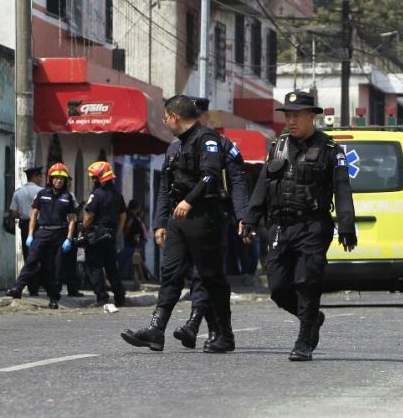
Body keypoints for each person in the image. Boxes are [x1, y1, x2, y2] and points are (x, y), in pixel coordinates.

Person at [242, 90, 357, 361]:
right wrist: (250, 219)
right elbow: (262, 186)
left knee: (307, 281)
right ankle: (312, 318)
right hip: (281, 225)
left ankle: (304, 340)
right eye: (288, 116)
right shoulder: (278, 146)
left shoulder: (330, 150)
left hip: (313, 224)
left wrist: (347, 226)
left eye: (297, 116)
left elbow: (342, 189)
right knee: (279, 289)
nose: (291, 121)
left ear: (311, 118)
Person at [122, 95, 231, 352]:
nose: (165, 122)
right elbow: (164, 188)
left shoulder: (207, 140)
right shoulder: (173, 147)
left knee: (209, 277)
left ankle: (224, 334)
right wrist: (160, 222)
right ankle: (156, 330)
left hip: (204, 218)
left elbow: (211, 175)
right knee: (170, 273)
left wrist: (190, 200)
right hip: (177, 220)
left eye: (165, 118)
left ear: (174, 117)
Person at [168, 95, 249, 350]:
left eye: (200, 115)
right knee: (197, 274)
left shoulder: (222, 144)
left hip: (213, 218)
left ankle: (194, 323)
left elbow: (237, 181)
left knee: (205, 274)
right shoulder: (177, 147)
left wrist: (243, 216)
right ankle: (216, 332)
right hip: (183, 220)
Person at [5, 163, 77, 308]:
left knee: (56, 267)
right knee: (31, 260)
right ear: (51, 179)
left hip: (59, 234)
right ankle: (18, 288)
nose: (59, 181)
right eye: (56, 178)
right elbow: (34, 214)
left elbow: (72, 219)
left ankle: (54, 298)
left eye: (62, 179)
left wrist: (69, 238)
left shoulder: (68, 197)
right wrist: (30, 235)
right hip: (42, 232)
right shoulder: (42, 194)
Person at [81, 161, 127, 313]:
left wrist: (82, 230)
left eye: (93, 178)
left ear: (99, 178)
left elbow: (89, 216)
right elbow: (123, 216)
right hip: (111, 235)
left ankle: (102, 298)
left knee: (94, 267)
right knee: (111, 267)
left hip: (96, 235)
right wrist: (118, 233)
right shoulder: (118, 195)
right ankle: (120, 297)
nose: (92, 181)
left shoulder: (97, 194)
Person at [8, 166, 44, 296]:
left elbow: (13, 213)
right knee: (41, 256)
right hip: (40, 226)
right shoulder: (42, 191)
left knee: (28, 256)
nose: (41, 178)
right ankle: (38, 285)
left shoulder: (18, 192)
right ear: (35, 176)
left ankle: (31, 286)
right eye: (39, 176)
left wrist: (24, 214)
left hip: (25, 225)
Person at [118, 200, 147, 281]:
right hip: (130, 241)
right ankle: (143, 278)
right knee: (137, 257)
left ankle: (143, 277)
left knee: (137, 259)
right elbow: (128, 226)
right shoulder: (130, 215)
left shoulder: (131, 215)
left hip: (132, 241)